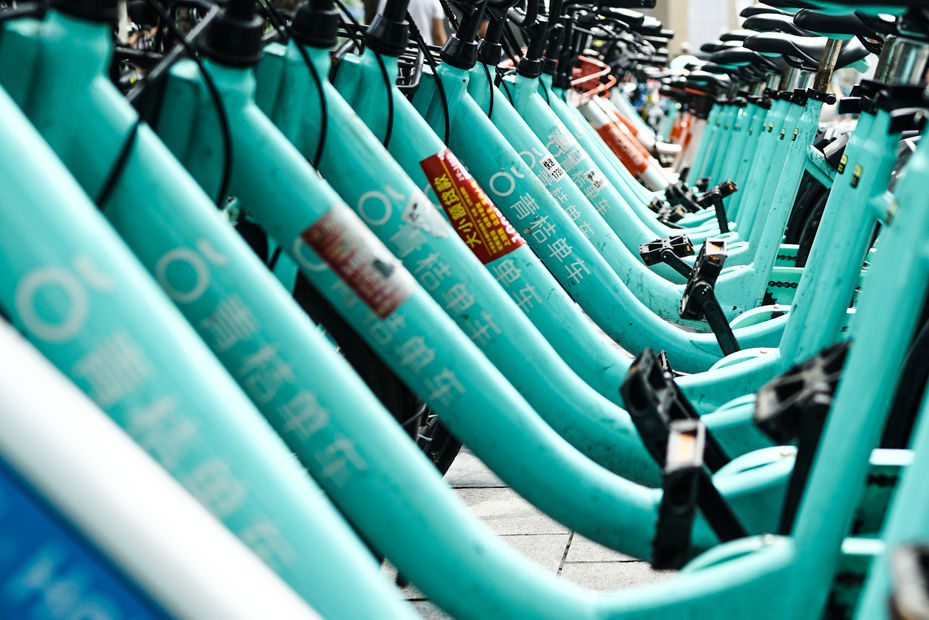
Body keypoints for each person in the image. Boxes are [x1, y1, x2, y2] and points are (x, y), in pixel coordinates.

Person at [376, 0, 447, 46]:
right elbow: (438, 36)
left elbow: (380, 26)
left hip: (394, 51)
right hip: (423, 54)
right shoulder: (434, 1)